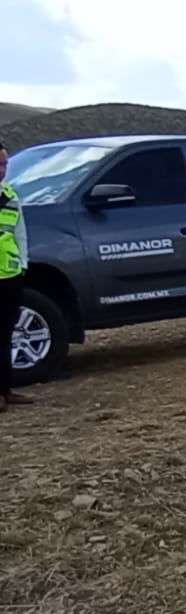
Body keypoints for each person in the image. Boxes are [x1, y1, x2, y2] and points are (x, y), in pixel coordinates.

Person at [0, 140, 34, 411]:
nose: (2, 170)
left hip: (9, 275)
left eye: (4, 164)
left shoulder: (9, 195)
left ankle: (6, 389)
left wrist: (22, 263)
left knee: (5, 334)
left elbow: (19, 233)